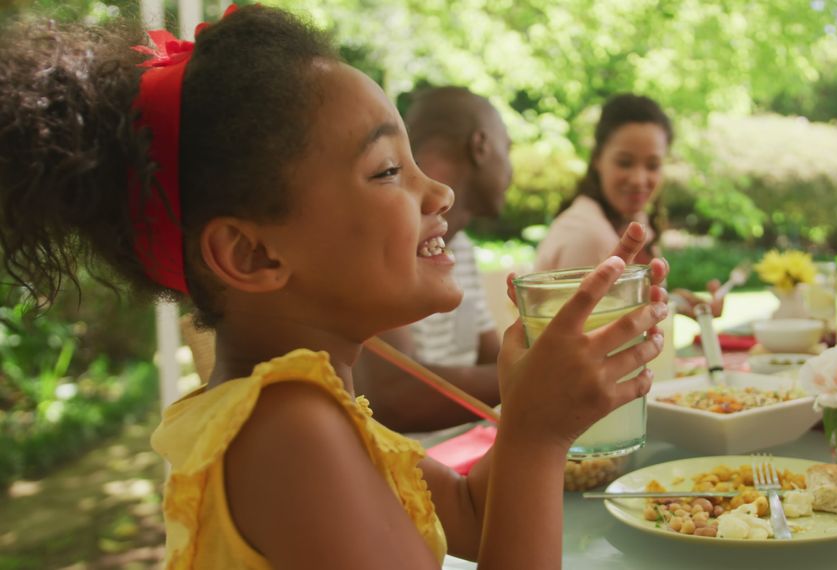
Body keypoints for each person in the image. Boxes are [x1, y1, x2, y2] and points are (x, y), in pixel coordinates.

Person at [0, 6, 669, 568]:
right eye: (386, 171)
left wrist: (533, 395)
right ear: (253, 254)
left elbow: (468, 509)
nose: (438, 191)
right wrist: (535, 436)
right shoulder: (286, 431)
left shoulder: (320, 410)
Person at [353, 86, 510, 433]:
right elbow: (396, 396)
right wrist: (538, 375)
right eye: (507, 149)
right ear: (480, 146)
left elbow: (495, 363)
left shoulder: (462, 248)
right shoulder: (382, 242)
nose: (510, 170)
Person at [535, 93, 725, 316]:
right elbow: (585, 336)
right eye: (624, 163)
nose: (638, 179)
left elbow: (621, 312)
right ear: (598, 159)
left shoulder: (632, 222)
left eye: (652, 165)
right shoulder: (589, 234)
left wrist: (675, 303)